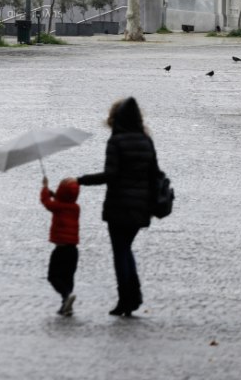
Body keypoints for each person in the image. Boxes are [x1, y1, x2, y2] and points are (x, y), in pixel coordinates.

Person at [78, 96, 158, 317]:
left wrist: (81, 180)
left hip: (119, 205)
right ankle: (133, 296)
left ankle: (126, 299)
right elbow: (154, 174)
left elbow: (111, 175)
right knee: (126, 249)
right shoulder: (146, 140)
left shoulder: (117, 142)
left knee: (120, 252)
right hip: (141, 205)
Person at [40, 176, 80, 316]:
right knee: (68, 277)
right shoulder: (75, 208)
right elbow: (63, 202)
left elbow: (46, 203)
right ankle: (66, 305)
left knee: (53, 276)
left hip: (61, 249)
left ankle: (66, 296)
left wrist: (45, 188)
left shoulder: (58, 207)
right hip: (73, 251)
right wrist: (54, 195)